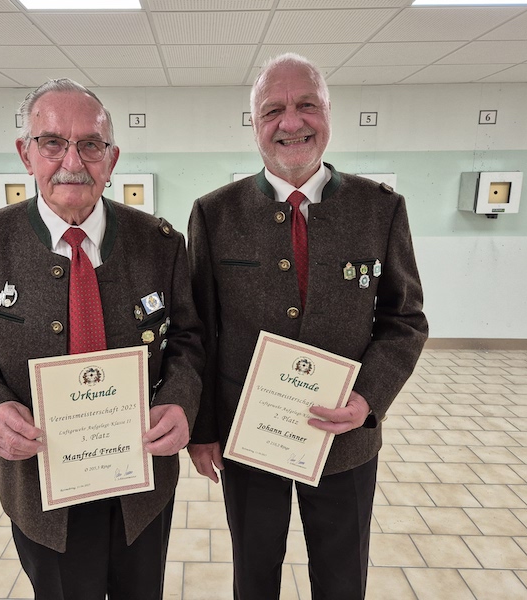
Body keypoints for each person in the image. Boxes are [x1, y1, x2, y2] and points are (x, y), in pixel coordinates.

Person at [0, 78, 203, 600]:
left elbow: (188, 339)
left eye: (91, 144)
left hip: (141, 483)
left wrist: (180, 401)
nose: (72, 161)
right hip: (39, 487)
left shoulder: (161, 243)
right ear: (26, 153)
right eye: (53, 142)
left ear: (112, 158)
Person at [186, 53, 428, 599]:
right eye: (273, 110)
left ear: (328, 114)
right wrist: (203, 429)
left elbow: (405, 320)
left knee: (342, 577)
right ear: (254, 124)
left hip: (345, 438)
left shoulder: (379, 209)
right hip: (248, 436)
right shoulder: (214, 214)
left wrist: (367, 400)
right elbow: (199, 330)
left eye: (306, 105)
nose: (291, 122)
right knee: (254, 573)